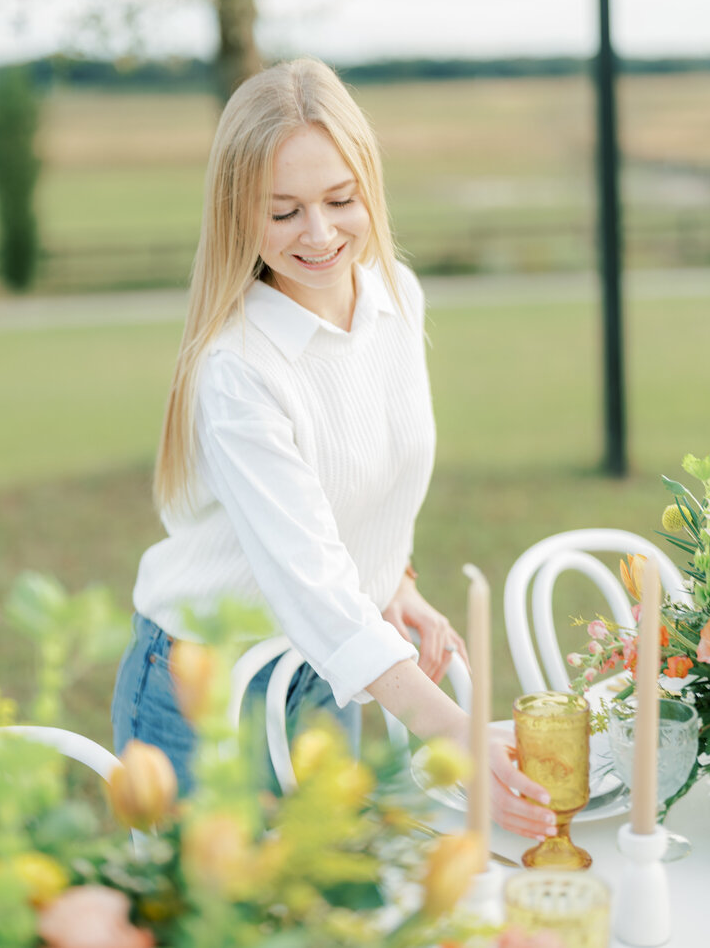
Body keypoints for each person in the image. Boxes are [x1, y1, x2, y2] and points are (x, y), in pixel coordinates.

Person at [112, 58, 556, 843]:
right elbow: (307, 575)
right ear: (236, 215)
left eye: (339, 200)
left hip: (333, 664)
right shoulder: (237, 367)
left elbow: (381, 467)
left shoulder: (394, 293)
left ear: (368, 187)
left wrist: (395, 577)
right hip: (207, 685)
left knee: (329, 914)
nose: (319, 235)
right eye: (281, 212)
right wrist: (455, 729)